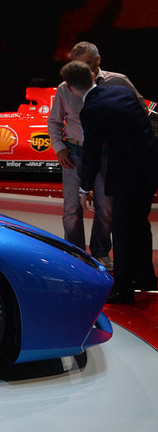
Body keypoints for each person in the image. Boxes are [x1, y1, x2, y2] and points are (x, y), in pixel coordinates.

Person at [59, 60, 158, 304]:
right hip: (151, 164)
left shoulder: (91, 110)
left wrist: (85, 188)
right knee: (139, 223)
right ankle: (146, 278)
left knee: (123, 229)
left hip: (128, 172)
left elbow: (91, 153)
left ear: (71, 88)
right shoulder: (121, 91)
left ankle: (123, 289)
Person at [47, 41, 145, 269]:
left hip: (106, 152)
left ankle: (101, 252)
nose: (86, 71)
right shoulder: (64, 88)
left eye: (90, 65)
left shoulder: (118, 81)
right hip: (74, 152)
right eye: (80, 66)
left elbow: (139, 109)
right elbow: (54, 121)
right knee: (71, 208)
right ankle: (75, 254)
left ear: (99, 61)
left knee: (106, 207)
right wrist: (60, 148)